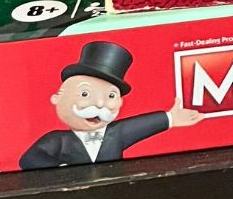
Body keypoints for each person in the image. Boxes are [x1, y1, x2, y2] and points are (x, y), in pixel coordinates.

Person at [19, 40, 203, 168]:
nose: (100, 104)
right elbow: (29, 160)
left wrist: (170, 118)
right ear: (57, 97)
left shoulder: (116, 134)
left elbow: (140, 126)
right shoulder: (56, 140)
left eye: (111, 96)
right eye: (85, 93)